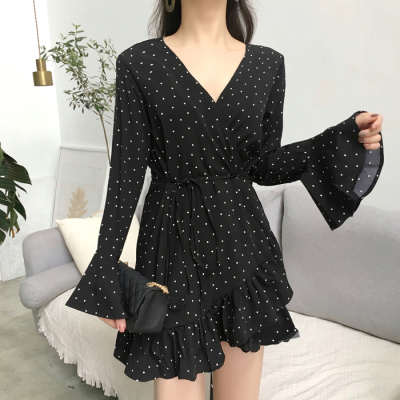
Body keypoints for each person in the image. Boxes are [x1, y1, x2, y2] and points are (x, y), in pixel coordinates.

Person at [65, 1, 384, 399]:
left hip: (242, 243)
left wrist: (337, 139)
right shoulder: (139, 63)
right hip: (171, 246)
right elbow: (126, 176)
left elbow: (262, 166)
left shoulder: (267, 64)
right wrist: (103, 273)